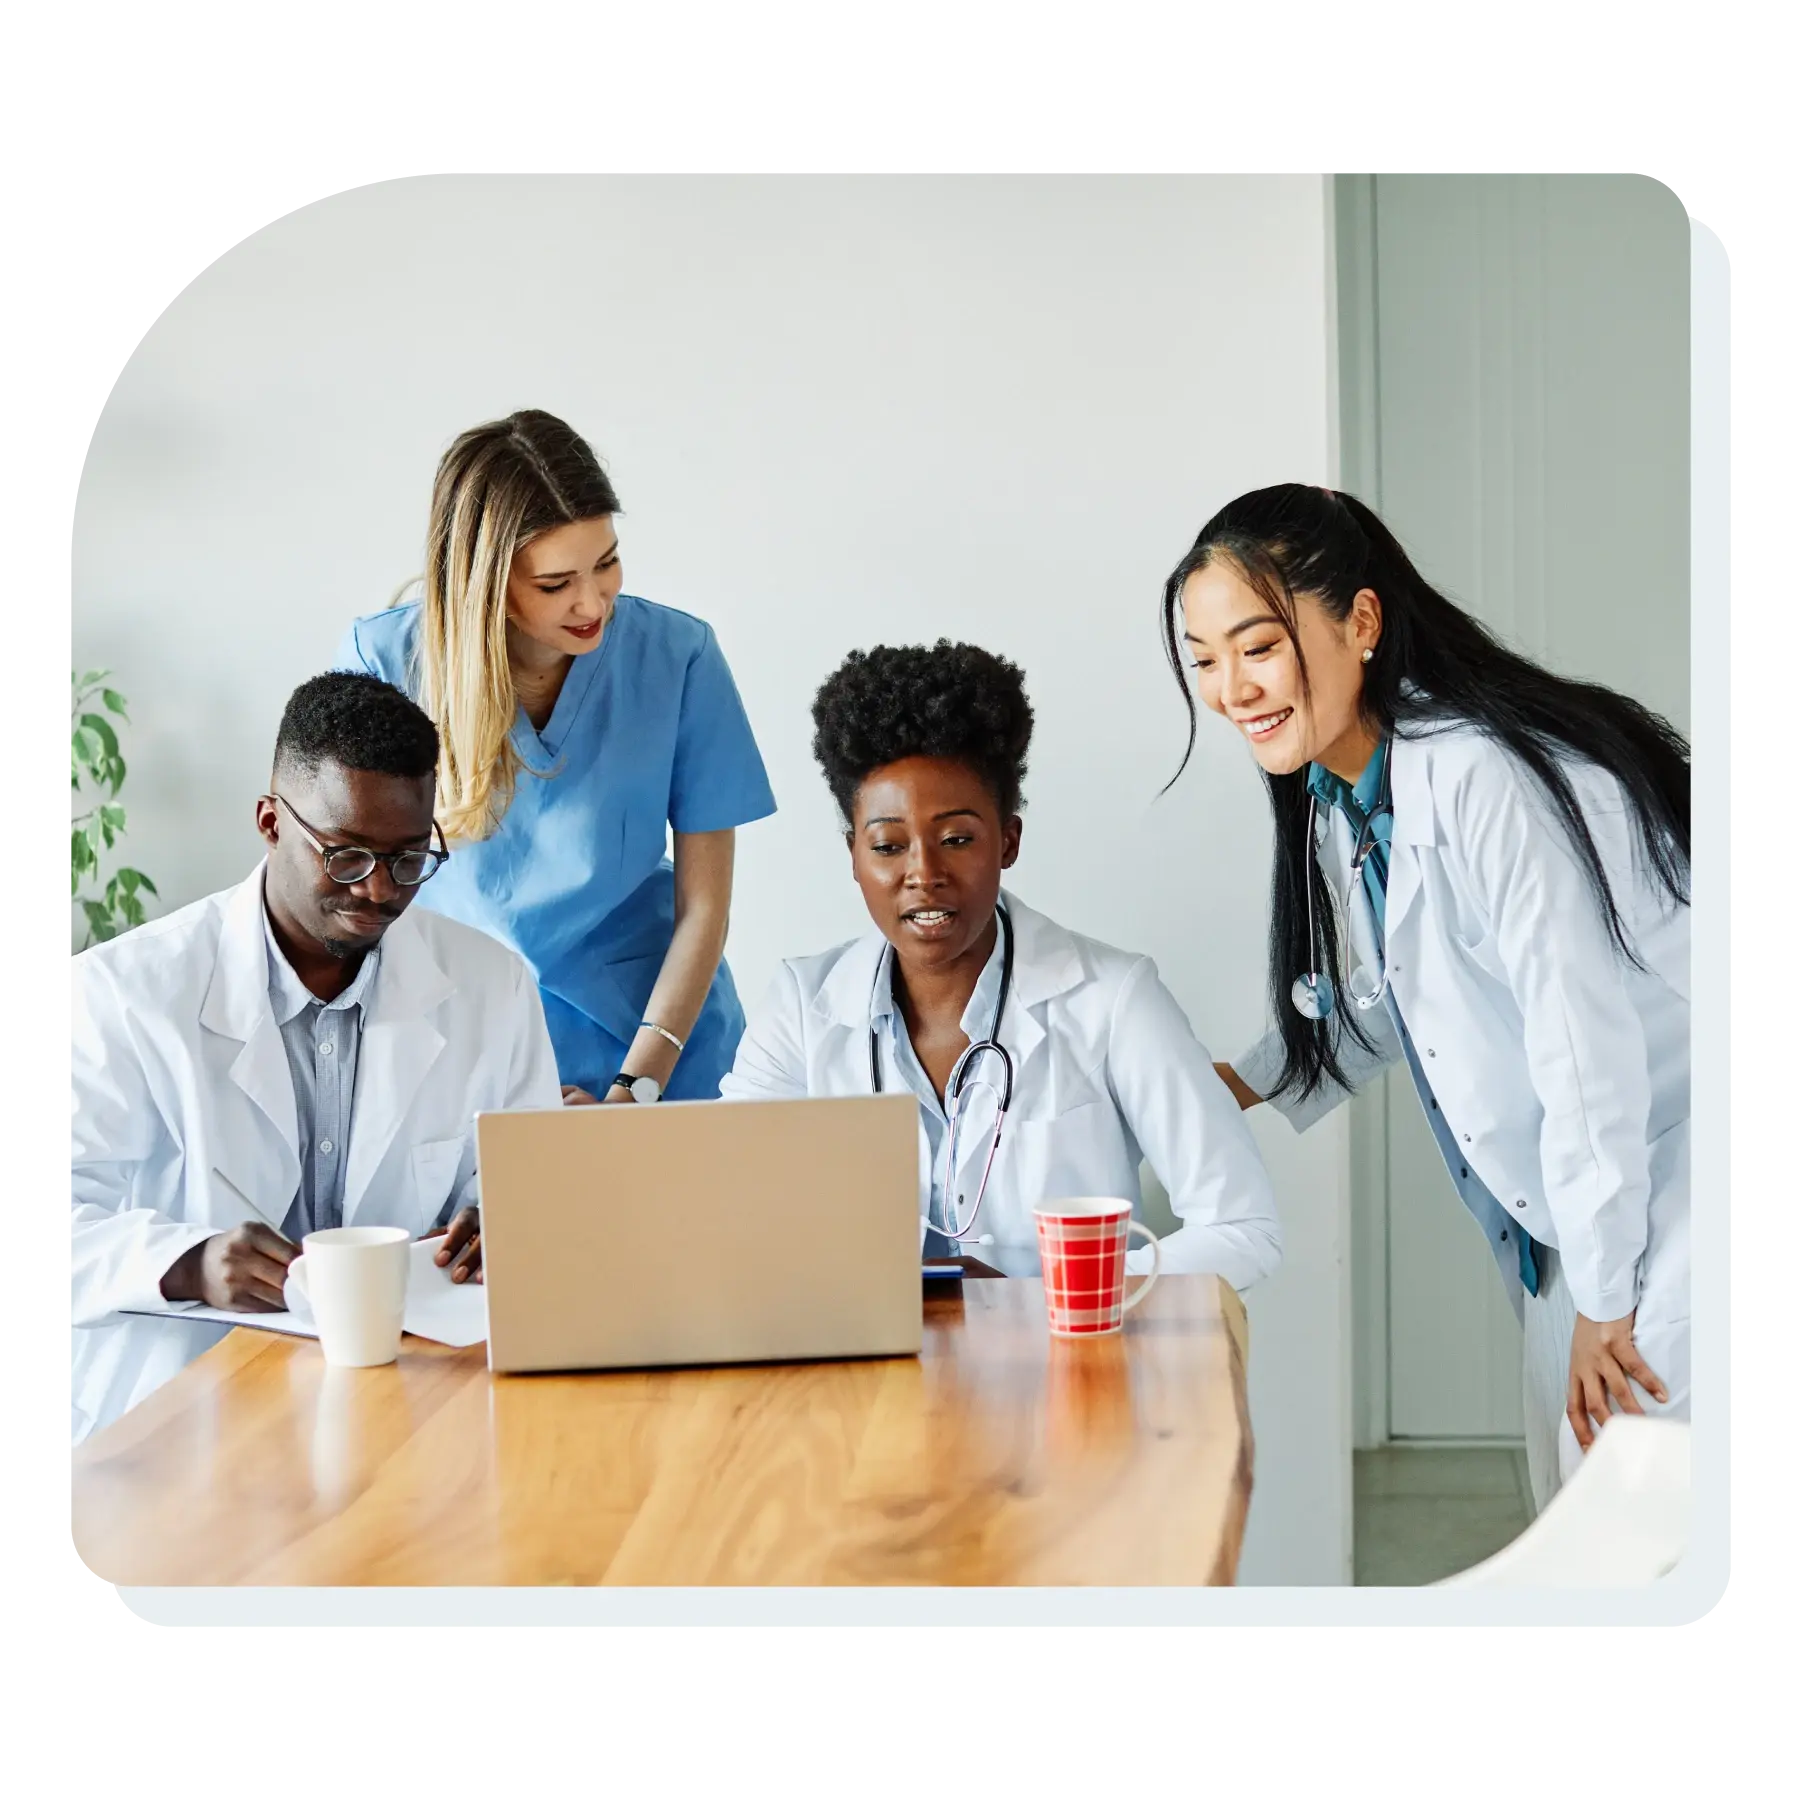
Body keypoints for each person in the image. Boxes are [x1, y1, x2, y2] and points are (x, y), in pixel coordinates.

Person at [1163, 483, 1689, 1510]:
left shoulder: (1479, 779)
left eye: (1256, 646)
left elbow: (1583, 1051)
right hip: (1578, 1229)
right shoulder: (1349, 793)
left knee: (1637, 1550)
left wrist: (1608, 1299)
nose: (1230, 689)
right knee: (1586, 1545)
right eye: (1204, 660)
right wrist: (1222, 1082)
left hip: (1665, 1206)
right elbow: (1392, 998)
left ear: (1360, 622)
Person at [64, 672, 561, 1444]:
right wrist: (186, 1261)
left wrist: (511, 1223)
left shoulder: (489, 987)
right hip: (187, 1407)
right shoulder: (122, 994)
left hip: (415, 1399)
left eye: (407, 860)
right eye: (346, 855)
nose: (378, 891)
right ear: (270, 821)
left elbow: (532, 1182)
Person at [721, 640, 1282, 1286]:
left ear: (1007, 841)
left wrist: (1036, 1304)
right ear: (853, 855)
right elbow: (724, 1211)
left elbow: (1244, 1230)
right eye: (888, 845)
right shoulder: (800, 1006)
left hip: (1062, 1370)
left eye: (956, 839)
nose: (923, 875)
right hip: (867, 1373)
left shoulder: (1112, 998)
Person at [336, 409, 775, 1107]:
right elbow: (356, 895)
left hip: (664, 1036)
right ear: (485, 584)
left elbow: (704, 909)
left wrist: (638, 1083)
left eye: (606, 563)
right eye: (554, 583)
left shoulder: (678, 658)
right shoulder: (387, 663)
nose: (592, 600)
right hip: (467, 1042)